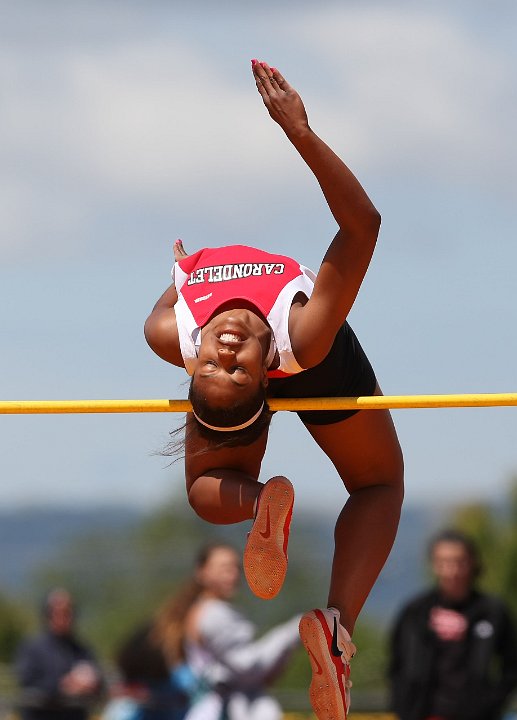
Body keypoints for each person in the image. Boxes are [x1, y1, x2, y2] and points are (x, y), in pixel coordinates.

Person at [144, 58, 404, 720]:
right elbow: (362, 227)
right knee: (378, 485)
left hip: (259, 361)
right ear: (264, 374)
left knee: (204, 492)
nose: (223, 352)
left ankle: (262, 500)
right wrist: (300, 133)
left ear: (192, 356)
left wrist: (181, 278)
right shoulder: (300, 335)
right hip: (317, 360)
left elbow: (170, 306)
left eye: (211, 365)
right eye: (234, 368)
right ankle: (337, 636)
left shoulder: (172, 333)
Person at [150, 541, 301, 720]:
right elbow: (248, 667)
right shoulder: (214, 614)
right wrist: (294, 630)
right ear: (202, 572)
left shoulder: (201, 609)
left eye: (236, 568)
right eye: (225, 568)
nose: (233, 575)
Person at [388, 529, 517, 720]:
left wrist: (491, 703)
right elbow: (396, 663)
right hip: (422, 713)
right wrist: (403, 705)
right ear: (434, 565)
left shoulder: (492, 611)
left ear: (473, 562)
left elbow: (511, 664)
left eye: (459, 562)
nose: (452, 570)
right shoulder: (416, 611)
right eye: (444, 562)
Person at [14, 587, 104, 720]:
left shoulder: (81, 649)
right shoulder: (33, 647)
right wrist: (63, 685)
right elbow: (26, 680)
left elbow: (99, 680)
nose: (65, 618)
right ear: (47, 614)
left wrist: (92, 684)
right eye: (59, 612)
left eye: (69, 612)